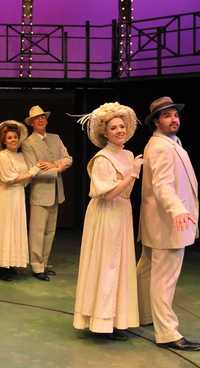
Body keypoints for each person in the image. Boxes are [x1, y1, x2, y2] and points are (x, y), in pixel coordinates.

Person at [72, 102, 142, 340]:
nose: (120, 130)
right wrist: (133, 172)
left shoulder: (129, 154)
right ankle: (101, 322)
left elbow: (124, 192)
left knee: (120, 264)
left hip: (122, 213)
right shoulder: (102, 158)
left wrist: (132, 169)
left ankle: (116, 319)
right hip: (106, 213)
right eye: (114, 128)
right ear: (105, 132)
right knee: (107, 264)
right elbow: (108, 193)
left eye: (122, 126)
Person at [137, 97, 200, 351]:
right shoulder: (161, 147)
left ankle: (141, 314)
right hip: (167, 223)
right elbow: (162, 185)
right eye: (167, 116)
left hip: (160, 222)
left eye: (175, 115)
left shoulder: (170, 143)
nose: (174, 119)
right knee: (164, 279)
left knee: (147, 271)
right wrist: (177, 209)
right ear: (156, 121)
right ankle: (167, 333)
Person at [0, 121, 39, 281]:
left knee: (15, 229)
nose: (13, 140)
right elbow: (8, 178)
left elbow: (25, 179)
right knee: (4, 230)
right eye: (9, 138)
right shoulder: (2, 156)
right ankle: (2, 268)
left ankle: (11, 263)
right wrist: (33, 171)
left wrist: (31, 173)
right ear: (4, 141)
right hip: (5, 197)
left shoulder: (22, 156)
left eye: (15, 137)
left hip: (18, 196)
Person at [21, 105, 72, 281]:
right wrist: (58, 169)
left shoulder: (55, 138)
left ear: (46, 120)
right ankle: (36, 266)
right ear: (31, 123)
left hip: (56, 191)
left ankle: (44, 262)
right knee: (37, 230)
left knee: (50, 230)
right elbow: (33, 170)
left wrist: (54, 165)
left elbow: (68, 159)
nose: (40, 120)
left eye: (42, 117)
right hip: (40, 192)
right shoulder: (28, 143)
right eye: (36, 119)